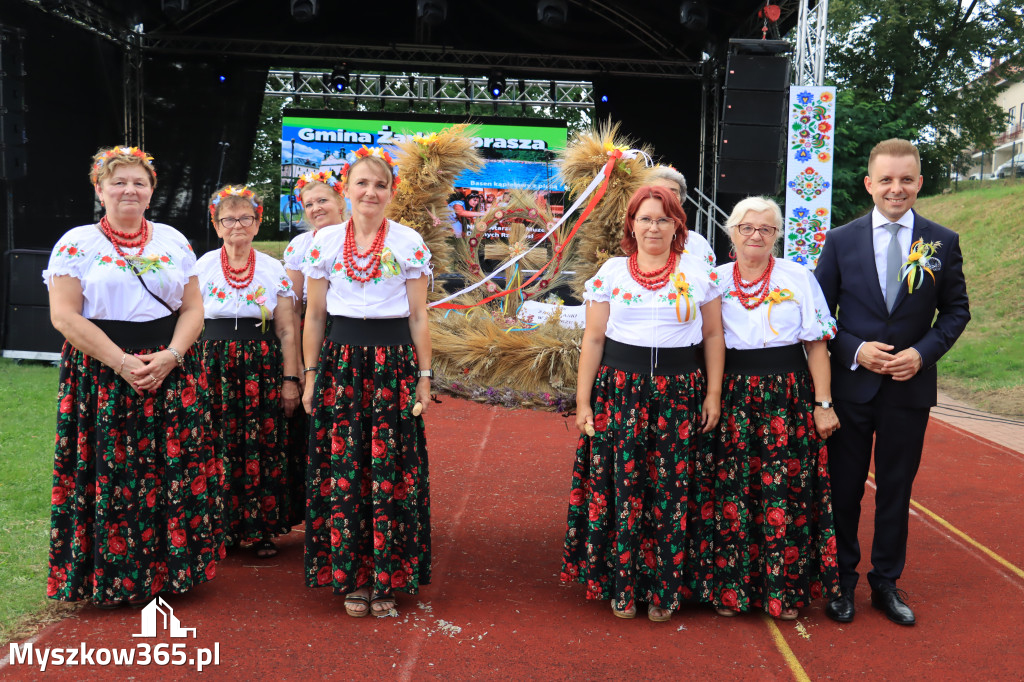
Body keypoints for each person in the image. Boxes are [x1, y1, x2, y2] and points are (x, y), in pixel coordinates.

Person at [43, 146, 221, 608]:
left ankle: (169, 573)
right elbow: (64, 316)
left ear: (151, 190)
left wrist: (172, 355)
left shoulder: (174, 240)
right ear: (99, 189)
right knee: (111, 469)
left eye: (138, 182)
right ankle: (111, 576)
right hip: (102, 371)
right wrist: (121, 362)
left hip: (169, 366)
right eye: (118, 181)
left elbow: (194, 308)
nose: (129, 190)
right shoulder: (76, 243)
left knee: (169, 470)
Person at [814, 138, 970, 626]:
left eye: (906, 179)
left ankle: (885, 582)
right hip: (851, 389)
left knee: (896, 489)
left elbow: (956, 311)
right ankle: (841, 582)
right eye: (886, 179)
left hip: (909, 390)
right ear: (869, 184)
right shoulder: (840, 240)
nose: (896, 188)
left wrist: (921, 356)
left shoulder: (941, 241)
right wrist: (855, 350)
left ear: (919, 182)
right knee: (843, 488)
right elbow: (819, 315)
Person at [561, 185, 724, 623]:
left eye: (664, 219)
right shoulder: (611, 272)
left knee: (671, 492)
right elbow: (593, 339)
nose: (654, 227)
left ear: (677, 225)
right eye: (646, 218)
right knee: (623, 489)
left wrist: (712, 393)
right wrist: (583, 402)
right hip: (620, 392)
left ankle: (665, 589)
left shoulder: (697, 272)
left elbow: (712, 336)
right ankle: (622, 585)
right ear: (631, 224)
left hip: (679, 393)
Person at [300, 147, 433, 618]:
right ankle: (352, 576)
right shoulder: (324, 243)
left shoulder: (409, 242)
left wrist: (423, 376)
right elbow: (314, 316)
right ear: (346, 189)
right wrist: (311, 374)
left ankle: (388, 578)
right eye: (362, 183)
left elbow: (419, 317)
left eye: (380, 185)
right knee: (346, 468)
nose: (370, 192)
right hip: (340, 365)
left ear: (391, 192)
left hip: (392, 365)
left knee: (391, 470)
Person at [705, 196, 841, 620]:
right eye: (747, 227)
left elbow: (816, 345)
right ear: (732, 232)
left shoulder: (798, 276)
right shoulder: (714, 280)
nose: (756, 235)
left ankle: (783, 592)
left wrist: (823, 404)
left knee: (785, 491)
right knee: (732, 490)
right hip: (731, 394)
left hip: (787, 395)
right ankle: (732, 593)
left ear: (777, 235)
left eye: (766, 228)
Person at [196, 185, 302, 558]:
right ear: (217, 224)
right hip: (212, 364)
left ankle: (261, 530)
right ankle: (219, 529)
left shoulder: (274, 270)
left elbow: (287, 329)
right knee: (215, 442)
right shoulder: (201, 267)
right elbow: (188, 319)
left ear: (257, 224)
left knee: (263, 444)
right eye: (228, 219)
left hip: (262, 366)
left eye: (245, 218)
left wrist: (291, 379)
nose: (237, 225)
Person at [649, 164, 716, 267]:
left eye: (672, 192)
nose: (667, 197)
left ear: (681, 201)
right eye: (659, 191)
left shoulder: (697, 243)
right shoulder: (636, 237)